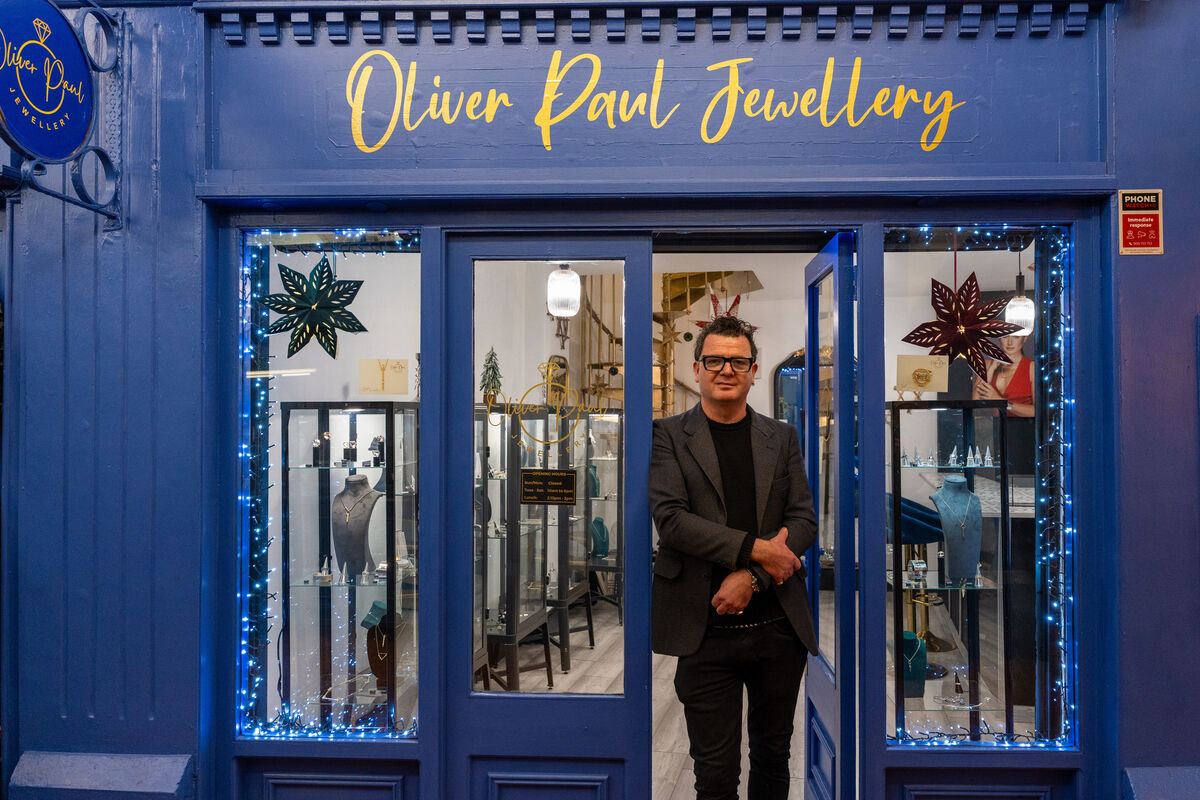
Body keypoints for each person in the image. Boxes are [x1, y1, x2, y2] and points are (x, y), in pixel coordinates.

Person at [649, 315, 818, 800]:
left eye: (738, 361)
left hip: (778, 631)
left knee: (773, 758)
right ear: (698, 369)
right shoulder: (667, 435)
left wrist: (754, 576)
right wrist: (759, 548)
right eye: (717, 360)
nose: (727, 369)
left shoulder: (781, 437)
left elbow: (803, 521)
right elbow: (673, 521)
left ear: (753, 369)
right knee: (715, 774)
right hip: (702, 635)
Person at [971, 334, 1034, 417]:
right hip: (993, 426)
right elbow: (975, 403)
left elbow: (1037, 412)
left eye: (1016, 337)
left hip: (1021, 426)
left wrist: (1000, 401)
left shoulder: (1032, 367)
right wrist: (992, 368)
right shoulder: (987, 365)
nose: (1010, 342)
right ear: (999, 338)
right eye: (1005, 337)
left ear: (1024, 338)